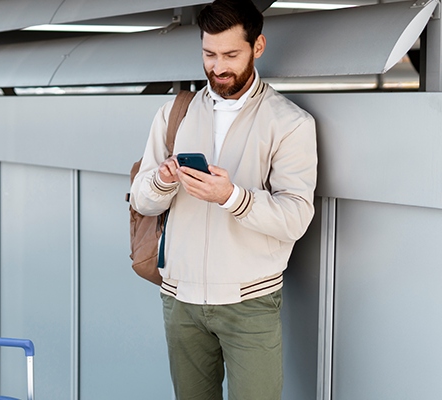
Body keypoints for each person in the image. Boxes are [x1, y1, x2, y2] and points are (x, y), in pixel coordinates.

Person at [129, 0, 318, 398]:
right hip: (180, 300)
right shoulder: (173, 114)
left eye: (231, 54)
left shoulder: (290, 123)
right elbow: (142, 203)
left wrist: (232, 197)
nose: (218, 67)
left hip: (249, 303)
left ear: (258, 47)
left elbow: (295, 217)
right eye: (209, 54)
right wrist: (162, 181)